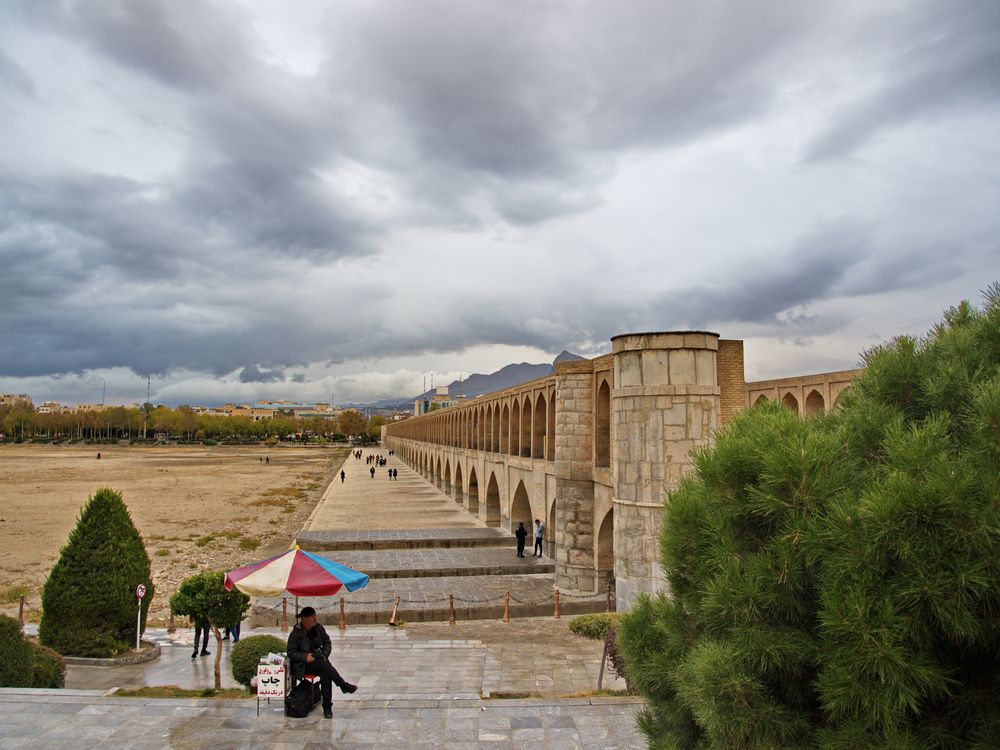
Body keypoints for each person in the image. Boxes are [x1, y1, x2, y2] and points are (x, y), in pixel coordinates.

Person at [286, 606, 356, 719]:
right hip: (303, 665)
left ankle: (327, 708)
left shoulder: (319, 628)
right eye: (312, 617)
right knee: (323, 665)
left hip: (319, 661)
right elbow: (291, 652)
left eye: (315, 616)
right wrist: (305, 657)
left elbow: (327, 642)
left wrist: (324, 654)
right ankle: (343, 685)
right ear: (304, 619)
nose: (315, 619)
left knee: (326, 675)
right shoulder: (296, 633)